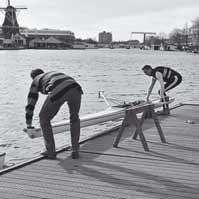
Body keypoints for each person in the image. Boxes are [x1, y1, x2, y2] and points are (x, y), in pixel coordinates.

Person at [25, 69, 83, 159]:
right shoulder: (51, 74)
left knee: (44, 118)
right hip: (76, 88)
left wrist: (28, 125)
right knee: (74, 118)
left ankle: (50, 151)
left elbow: (30, 104)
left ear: (33, 77)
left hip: (58, 89)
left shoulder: (36, 80)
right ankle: (75, 150)